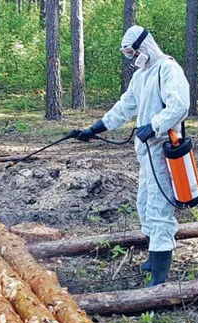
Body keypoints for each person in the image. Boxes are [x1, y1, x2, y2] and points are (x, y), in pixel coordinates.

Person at [77, 26, 190, 287]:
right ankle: (154, 256)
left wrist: (154, 125)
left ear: (144, 46)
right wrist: (94, 129)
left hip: (163, 151)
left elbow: (179, 106)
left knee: (160, 207)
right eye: (127, 53)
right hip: (146, 154)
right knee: (144, 203)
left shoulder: (168, 69)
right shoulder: (141, 76)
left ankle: (160, 275)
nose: (131, 57)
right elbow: (125, 106)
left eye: (132, 51)